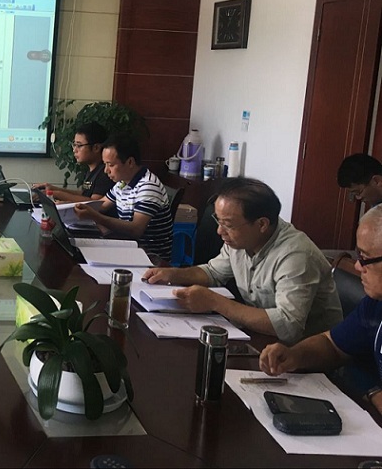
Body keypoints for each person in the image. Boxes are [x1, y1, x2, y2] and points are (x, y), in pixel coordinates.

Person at [142, 177, 342, 345]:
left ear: (262, 224)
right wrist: (173, 274)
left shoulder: (296, 255)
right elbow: (213, 272)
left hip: (304, 356)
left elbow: (288, 325)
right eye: (218, 221)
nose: (220, 231)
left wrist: (214, 301)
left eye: (228, 224)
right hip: (261, 340)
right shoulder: (242, 239)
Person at [260, 206, 382, 414]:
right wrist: (295, 355)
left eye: (365, 257)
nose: (357, 266)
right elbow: (333, 344)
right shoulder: (375, 303)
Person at [73, 134, 173, 260]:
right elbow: (101, 205)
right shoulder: (122, 183)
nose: (106, 170)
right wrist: (67, 206)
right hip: (129, 246)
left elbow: (136, 229)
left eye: (110, 165)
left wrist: (95, 216)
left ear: (130, 162)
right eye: (105, 164)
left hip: (148, 257)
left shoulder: (148, 186)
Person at [35, 121, 113, 201]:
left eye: (79, 145)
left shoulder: (105, 172)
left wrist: (56, 194)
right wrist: (52, 189)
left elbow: (95, 203)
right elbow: (84, 195)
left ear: (96, 148)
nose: (74, 150)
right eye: (74, 145)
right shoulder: (93, 170)